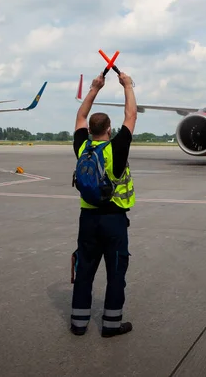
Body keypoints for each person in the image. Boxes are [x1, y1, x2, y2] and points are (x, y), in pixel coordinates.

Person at [70, 71, 137, 337]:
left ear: (89, 131)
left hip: (87, 219)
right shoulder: (116, 149)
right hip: (114, 221)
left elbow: (80, 117)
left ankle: (78, 324)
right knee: (115, 273)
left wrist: (95, 88)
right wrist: (128, 86)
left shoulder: (82, 147)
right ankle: (110, 326)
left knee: (84, 270)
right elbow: (130, 116)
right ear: (109, 129)